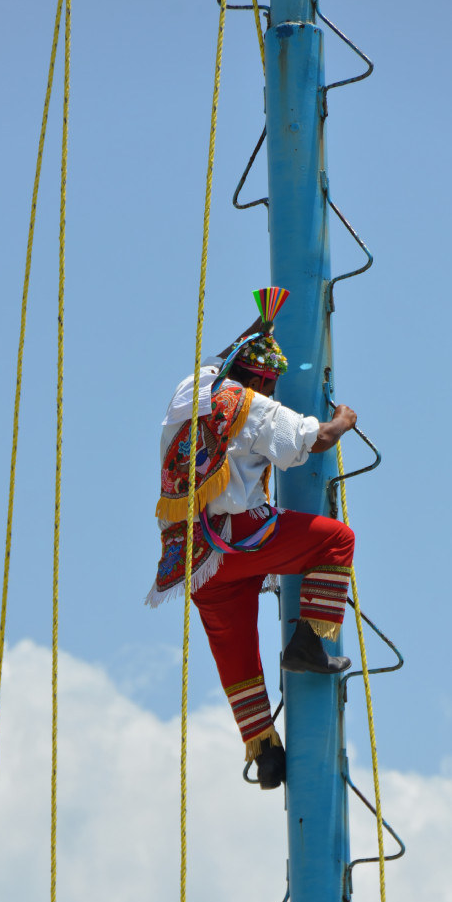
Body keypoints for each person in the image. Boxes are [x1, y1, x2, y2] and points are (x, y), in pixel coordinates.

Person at [145, 288, 357, 789]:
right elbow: (312, 441)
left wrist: (259, 327)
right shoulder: (251, 406)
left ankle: (264, 751)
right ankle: (310, 640)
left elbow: (226, 355)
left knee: (237, 656)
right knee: (336, 541)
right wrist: (343, 421)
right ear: (260, 380)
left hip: (190, 558)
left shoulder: (192, 390)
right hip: (237, 539)